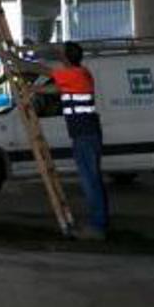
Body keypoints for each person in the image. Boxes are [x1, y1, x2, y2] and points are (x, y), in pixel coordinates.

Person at [29, 42, 108, 240]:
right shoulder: (79, 74)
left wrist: (15, 61)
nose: (58, 56)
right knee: (92, 179)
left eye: (61, 54)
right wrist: (33, 89)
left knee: (90, 181)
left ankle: (98, 227)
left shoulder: (74, 74)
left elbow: (43, 70)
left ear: (65, 57)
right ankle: (98, 223)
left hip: (84, 135)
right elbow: (56, 89)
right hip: (86, 133)